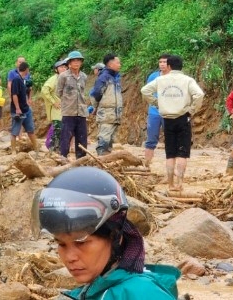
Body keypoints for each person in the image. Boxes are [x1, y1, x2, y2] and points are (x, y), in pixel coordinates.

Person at [32, 167, 180, 299]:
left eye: (81, 242)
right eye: (61, 244)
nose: (70, 257)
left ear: (116, 237)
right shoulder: (95, 289)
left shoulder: (143, 293)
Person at [141, 55, 204, 192]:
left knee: (170, 153)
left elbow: (144, 91)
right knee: (182, 153)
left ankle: (170, 185)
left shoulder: (160, 79)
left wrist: (157, 103)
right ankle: (179, 183)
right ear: (181, 67)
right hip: (183, 118)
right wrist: (191, 110)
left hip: (167, 119)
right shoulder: (188, 80)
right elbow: (199, 95)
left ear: (169, 66)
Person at [57, 51, 89, 163]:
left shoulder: (84, 76)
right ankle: (63, 158)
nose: (76, 63)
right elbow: (59, 92)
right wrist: (68, 101)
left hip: (81, 112)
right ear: (69, 63)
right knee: (66, 136)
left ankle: (81, 160)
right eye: (74, 61)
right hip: (68, 111)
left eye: (78, 60)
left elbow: (84, 92)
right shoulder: (63, 76)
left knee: (82, 137)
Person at [90, 53, 123, 156]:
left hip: (114, 115)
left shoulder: (115, 78)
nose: (120, 64)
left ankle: (107, 163)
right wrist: (96, 107)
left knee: (110, 141)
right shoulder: (104, 77)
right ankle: (101, 161)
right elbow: (95, 94)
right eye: (118, 62)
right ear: (110, 64)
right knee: (104, 139)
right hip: (106, 114)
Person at [143, 54, 171, 168]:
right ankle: (147, 165)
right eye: (160, 62)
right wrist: (153, 103)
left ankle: (169, 168)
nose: (162, 64)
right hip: (154, 112)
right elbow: (146, 92)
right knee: (150, 140)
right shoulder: (153, 76)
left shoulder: (174, 77)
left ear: (170, 64)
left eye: (164, 62)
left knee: (170, 140)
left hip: (169, 112)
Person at [10, 62, 38, 153]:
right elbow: (14, 95)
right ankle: (13, 150)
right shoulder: (16, 80)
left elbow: (27, 91)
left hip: (26, 109)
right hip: (18, 110)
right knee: (15, 132)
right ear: (26, 69)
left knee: (31, 130)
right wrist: (17, 108)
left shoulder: (23, 80)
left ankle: (36, 148)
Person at [41, 59, 67, 153]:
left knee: (62, 131)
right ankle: (52, 150)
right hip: (57, 110)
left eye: (65, 67)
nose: (64, 69)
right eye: (61, 67)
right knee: (57, 130)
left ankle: (58, 150)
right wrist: (53, 102)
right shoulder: (54, 79)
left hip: (65, 109)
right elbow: (44, 90)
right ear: (56, 69)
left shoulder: (65, 78)